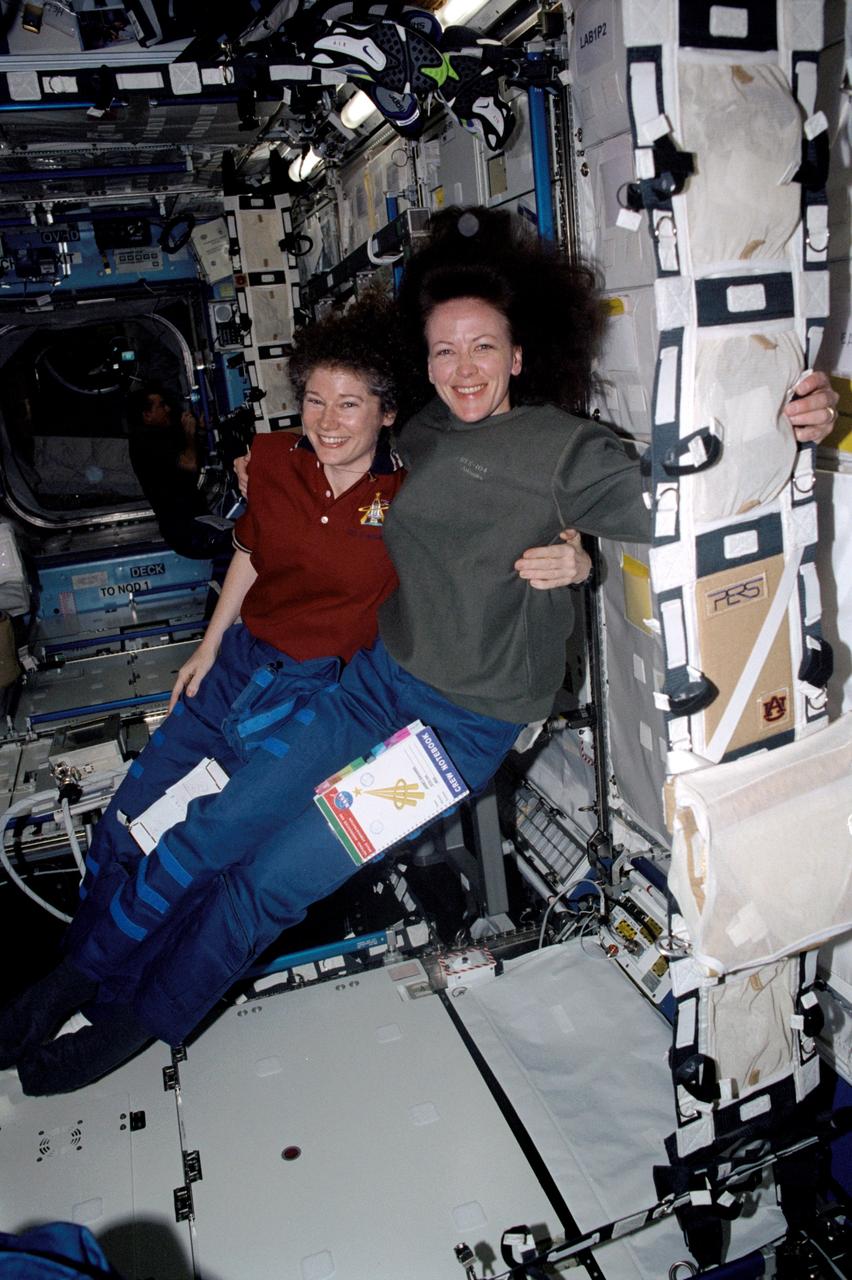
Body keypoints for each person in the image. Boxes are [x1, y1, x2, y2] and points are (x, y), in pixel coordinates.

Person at [0, 279, 589, 1092]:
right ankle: (76, 982)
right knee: (201, 838)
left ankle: (131, 1025)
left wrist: (580, 554)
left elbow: (604, 508)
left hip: (447, 748)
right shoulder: (417, 465)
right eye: (447, 356)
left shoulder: (532, 473)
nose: (465, 373)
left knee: (269, 887)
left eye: (482, 352)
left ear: (518, 364)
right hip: (368, 698)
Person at [127, 384, 233, 562]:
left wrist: (196, 429)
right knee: (243, 541)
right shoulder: (145, 442)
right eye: (161, 406)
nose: (167, 409)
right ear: (147, 415)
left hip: (195, 520)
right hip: (186, 531)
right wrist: (190, 433)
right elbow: (189, 463)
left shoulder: (161, 433)